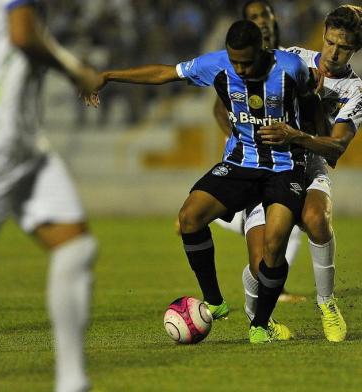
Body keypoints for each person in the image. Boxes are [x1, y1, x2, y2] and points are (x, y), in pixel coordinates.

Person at [83, 19, 320, 343]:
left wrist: (308, 140)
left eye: (247, 62)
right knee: (189, 217)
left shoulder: (290, 67)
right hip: (240, 162)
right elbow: (165, 73)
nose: (241, 69)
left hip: (285, 166)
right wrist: (109, 76)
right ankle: (215, 301)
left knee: (274, 244)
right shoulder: (218, 65)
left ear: (262, 51)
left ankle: (260, 325)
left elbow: (313, 104)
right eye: (235, 61)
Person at [0, 1, 100, 391]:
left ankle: (73, 383)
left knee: (75, 246)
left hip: (24, 144)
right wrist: (74, 70)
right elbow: (23, 35)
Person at [257, 4, 362, 342]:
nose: (333, 52)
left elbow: (335, 148)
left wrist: (297, 136)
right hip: (269, 162)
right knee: (263, 255)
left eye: (343, 47)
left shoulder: (356, 91)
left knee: (318, 219)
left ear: (355, 50)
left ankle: (327, 303)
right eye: (330, 42)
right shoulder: (291, 58)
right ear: (323, 36)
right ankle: (258, 319)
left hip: (311, 163)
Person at [213, 0, 306, 309]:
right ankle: (215, 216)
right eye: (254, 17)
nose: (261, 21)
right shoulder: (239, 61)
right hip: (253, 163)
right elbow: (220, 105)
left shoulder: (292, 59)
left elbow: (308, 98)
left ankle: (221, 219)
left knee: (287, 230)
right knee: (276, 233)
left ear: (273, 17)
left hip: (287, 160)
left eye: (264, 15)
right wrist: (240, 137)